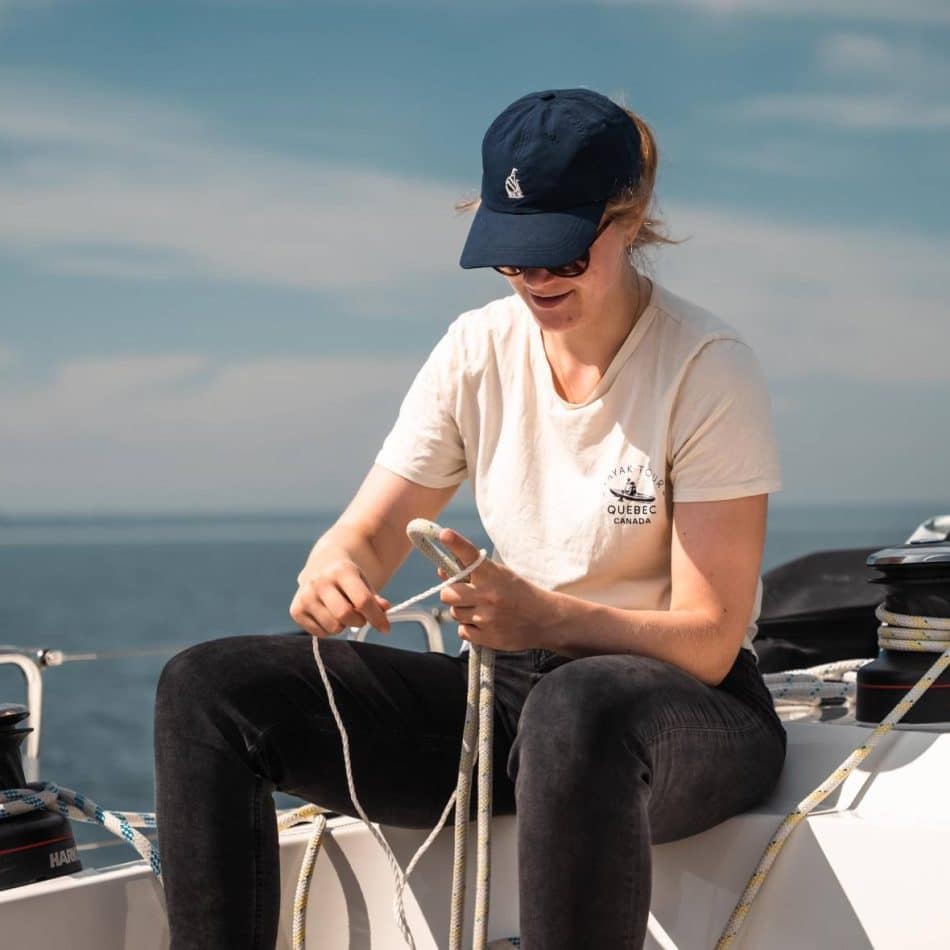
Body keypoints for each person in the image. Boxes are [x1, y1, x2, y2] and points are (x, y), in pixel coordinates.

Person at [154, 87, 787, 949]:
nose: (536, 281)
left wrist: (551, 619)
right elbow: (372, 530)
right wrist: (334, 566)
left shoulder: (708, 367)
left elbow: (712, 639)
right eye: (514, 258)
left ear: (630, 219)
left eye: (561, 256)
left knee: (575, 705)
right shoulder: (474, 349)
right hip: (512, 700)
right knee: (205, 690)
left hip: (682, 712)